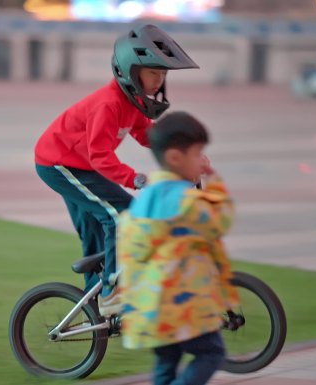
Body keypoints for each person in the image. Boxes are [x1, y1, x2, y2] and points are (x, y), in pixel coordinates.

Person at [34, 24, 199, 315]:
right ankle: (112, 290)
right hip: (59, 164)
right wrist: (133, 178)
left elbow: (148, 135)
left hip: (80, 166)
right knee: (122, 214)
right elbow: (100, 155)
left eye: (162, 75)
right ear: (131, 71)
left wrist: (184, 157)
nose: (158, 82)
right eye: (153, 73)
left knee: (97, 231)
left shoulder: (131, 104)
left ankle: (92, 305)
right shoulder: (108, 104)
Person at [117, 111, 240, 385]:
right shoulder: (187, 202)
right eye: (198, 154)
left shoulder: (143, 200)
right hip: (183, 309)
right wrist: (214, 179)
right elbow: (221, 220)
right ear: (175, 158)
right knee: (211, 353)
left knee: (166, 361)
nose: (202, 161)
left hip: (150, 309)